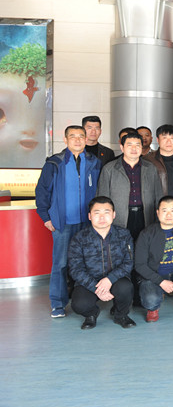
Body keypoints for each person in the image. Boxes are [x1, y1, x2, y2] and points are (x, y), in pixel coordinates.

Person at [35, 125, 102, 318]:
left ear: (86, 139)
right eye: (73, 136)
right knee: (61, 264)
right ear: (65, 140)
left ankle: (88, 301)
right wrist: (46, 217)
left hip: (88, 223)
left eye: (81, 136)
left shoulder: (94, 162)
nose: (78, 140)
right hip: (63, 223)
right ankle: (58, 303)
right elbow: (42, 191)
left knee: (88, 263)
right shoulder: (54, 163)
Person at [67, 196, 136, 329]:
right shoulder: (79, 238)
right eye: (97, 213)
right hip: (90, 281)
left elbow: (128, 262)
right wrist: (96, 288)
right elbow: (76, 269)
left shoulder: (124, 234)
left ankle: (120, 315)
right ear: (89, 216)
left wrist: (110, 279)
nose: (102, 217)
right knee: (79, 304)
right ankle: (91, 314)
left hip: (116, 279)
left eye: (107, 212)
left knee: (126, 288)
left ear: (114, 215)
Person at [96, 131, 162, 241]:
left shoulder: (151, 168)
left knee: (144, 246)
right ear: (122, 148)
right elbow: (102, 198)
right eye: (129, 145)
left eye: (137, 145)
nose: (134, 148)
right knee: (122, 247)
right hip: (120, 217)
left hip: (145, 215)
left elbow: (158, 195)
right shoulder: (109, 169)